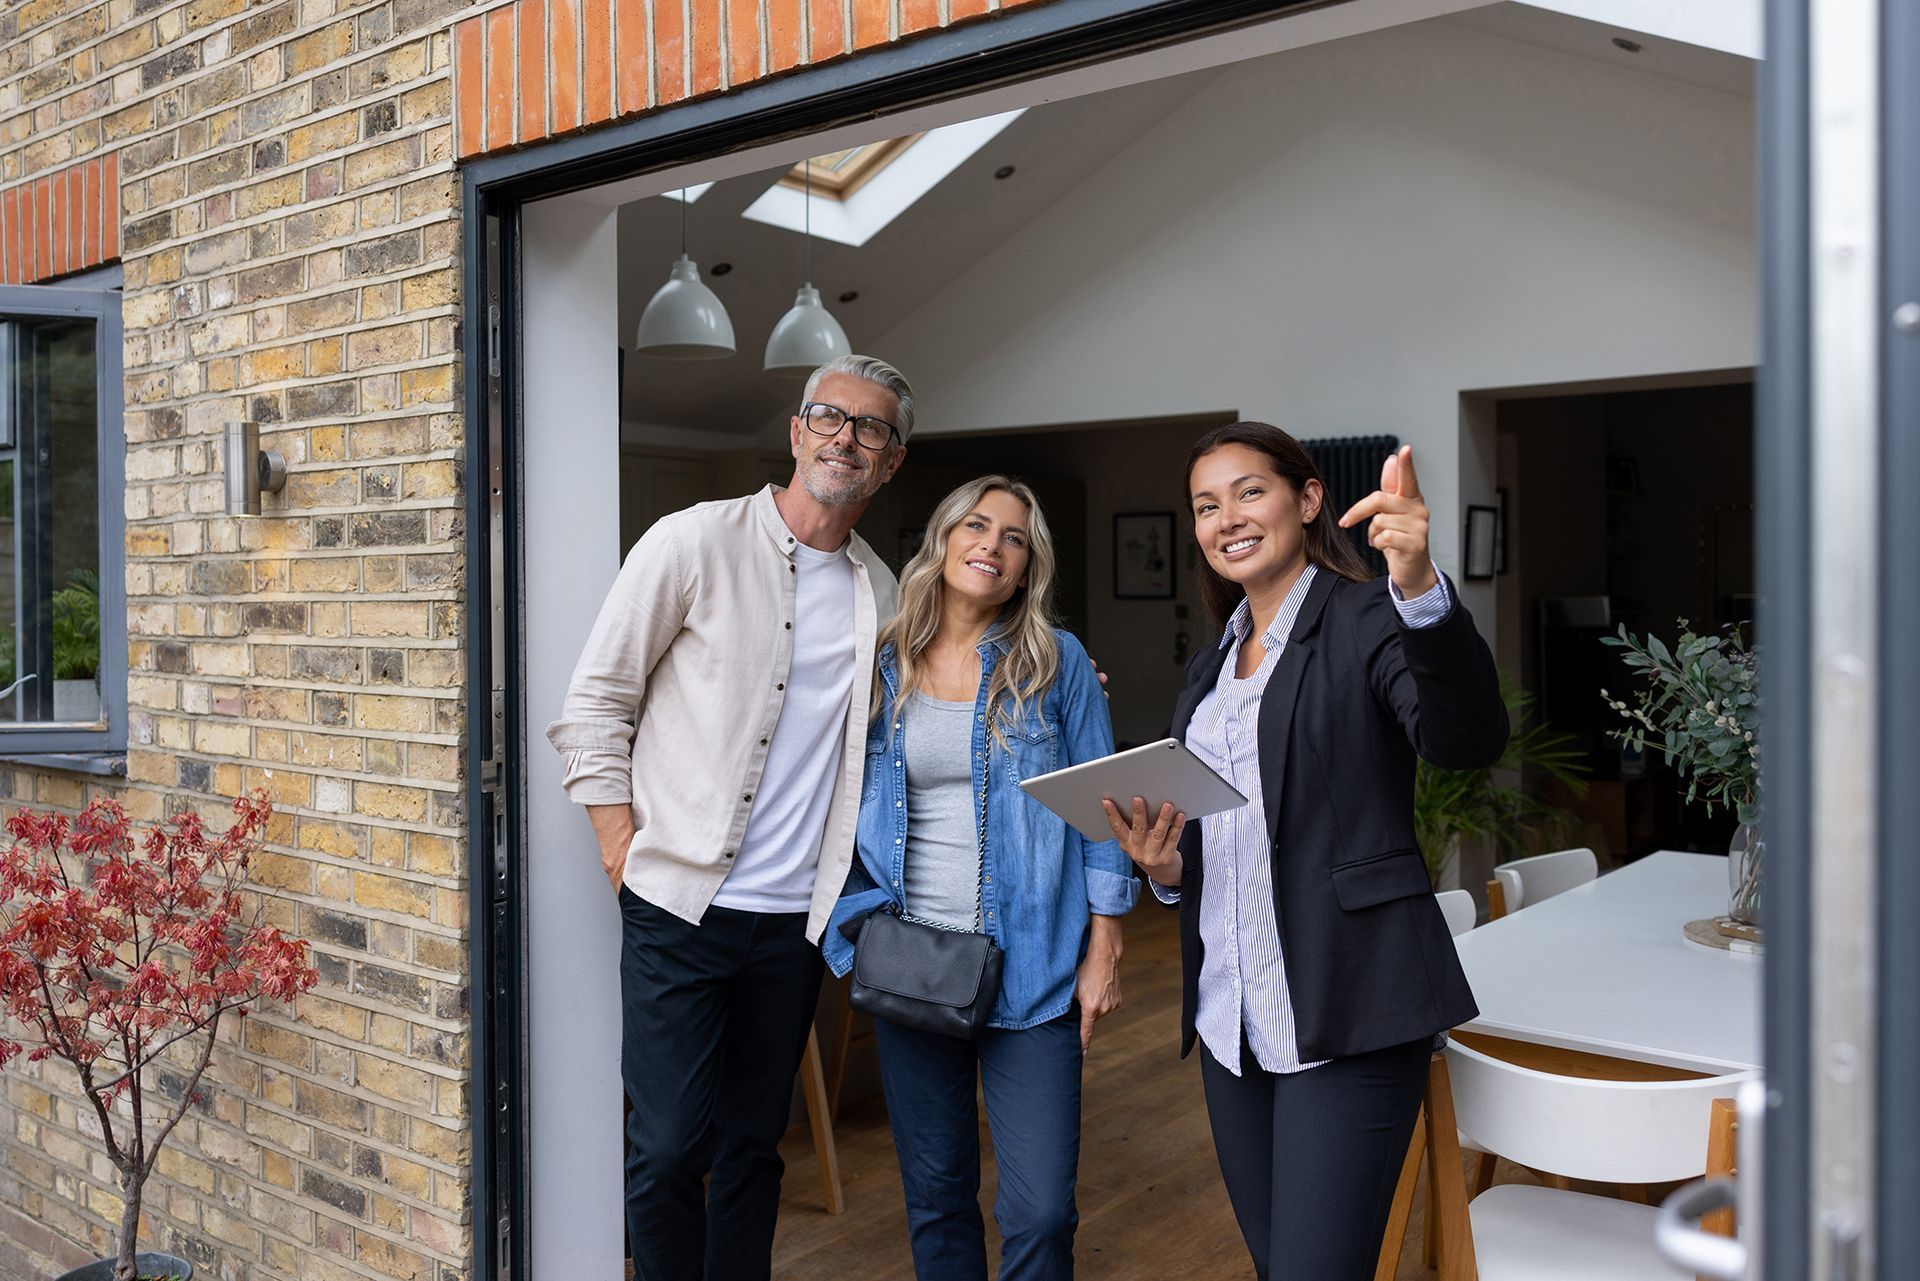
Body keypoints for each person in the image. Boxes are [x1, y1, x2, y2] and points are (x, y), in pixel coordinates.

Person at [1101, 423, 1508, 1281]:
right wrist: (1168, 870)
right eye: (1206, 505)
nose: (1227, 519)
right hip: (1231, 1021)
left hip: (1348, 1007)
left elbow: (1466, 740)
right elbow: (1234, 837)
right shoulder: (1210, 664)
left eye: (1250, 491)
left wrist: (1421, 588)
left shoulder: (1368, 615)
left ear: (1309, 499)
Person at [545, 355, 914, 1281]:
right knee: (669, 1144)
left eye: (871, 428)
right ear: (796, 431)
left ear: (893, 460)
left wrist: (1056, 682)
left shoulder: (888, 594)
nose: (846, 438)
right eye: (830, 417)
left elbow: (943, 701)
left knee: (754, 1145)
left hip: (795, 921)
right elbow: (595, 705)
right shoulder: (692, 542)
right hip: (678, 906)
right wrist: (618, 847)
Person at [825, 476, 1139, 1281]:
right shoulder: (879, 660)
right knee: (936, 1195)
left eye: (1014, 537)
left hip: (1034, 966)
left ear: (1030, 566)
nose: (992, 545)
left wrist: (1105, 942)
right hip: (914, 963)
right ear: (942, 538)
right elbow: (824, 789)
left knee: (1040, 1212)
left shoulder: (1057, 662)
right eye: (977, 525)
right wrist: (851, 929)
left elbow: (1101, 807)